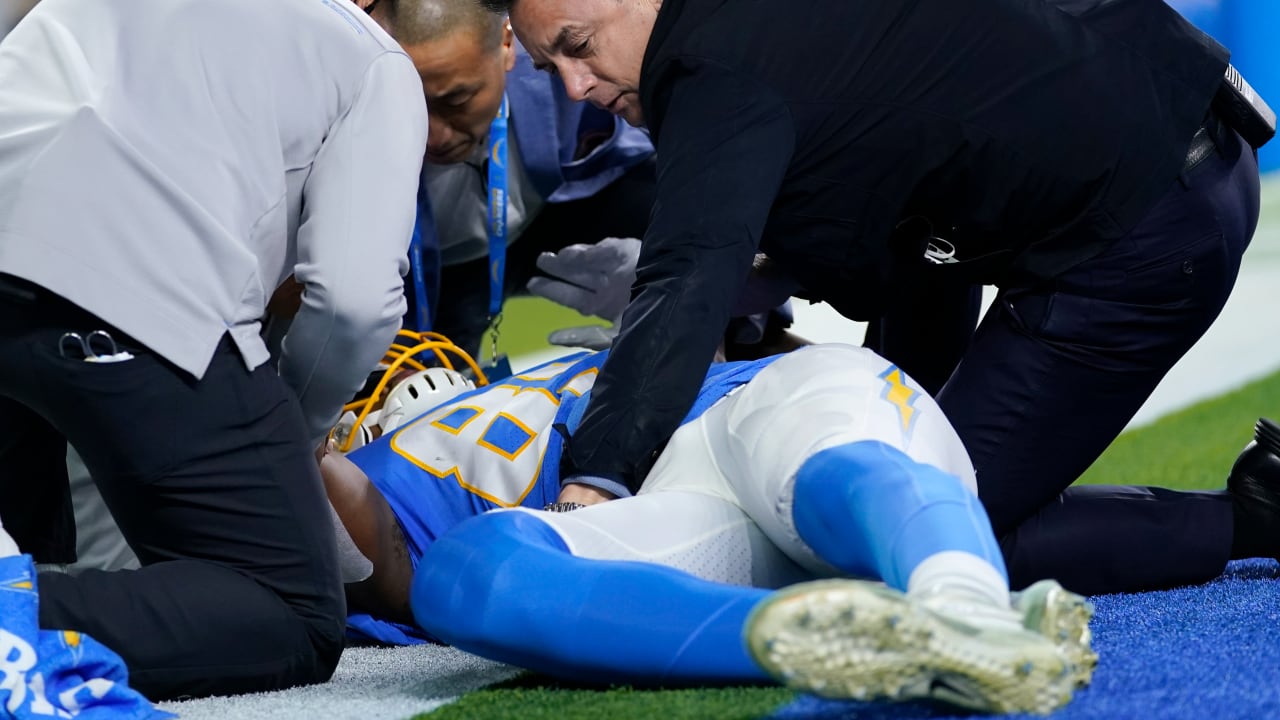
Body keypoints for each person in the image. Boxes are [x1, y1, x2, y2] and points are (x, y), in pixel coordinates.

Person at [488, 0, 1269, 594]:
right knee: (875, 453)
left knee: (913, 533)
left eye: (579, 48)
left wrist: (590, 490)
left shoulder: (708, 63)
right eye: (549, 66)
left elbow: (690, 269)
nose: (575, 86)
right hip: (1168, 129)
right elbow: (887, 157)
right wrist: (740, 287)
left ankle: (1256, 516)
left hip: (1145, 218)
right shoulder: (736, 38)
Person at [0, 0, 426, 700]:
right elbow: (353, 301)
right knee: (289, 610)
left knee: (42, 544)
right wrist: (298, 434)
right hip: (128, 278)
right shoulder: (371, 56)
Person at [321, 344, 1096, 715]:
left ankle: (963, 607)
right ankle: (864, 636)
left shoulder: (387, 462)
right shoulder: (412, 464)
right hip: (683, 495)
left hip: (759, 409)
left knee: (831, 462)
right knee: (465, 576)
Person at [357, 0, 654, 360]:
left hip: (557, 210)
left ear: (507, 46)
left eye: (457, 99)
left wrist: (674, 277)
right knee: (419, 384)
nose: (433, 137)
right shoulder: (345, 119)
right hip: (444, 271)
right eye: (411, 104)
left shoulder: (566, 64)